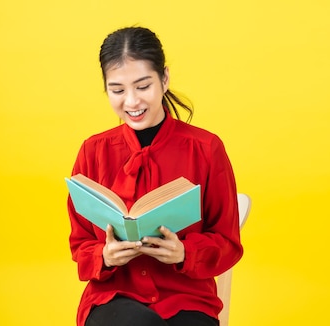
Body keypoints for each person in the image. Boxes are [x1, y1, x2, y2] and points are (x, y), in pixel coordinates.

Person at [66, 26, 243, 326]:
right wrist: (105, 255)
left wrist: (185, 252)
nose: (132, 102)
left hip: (187, 297)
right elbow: (80, 244)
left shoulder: (206, 149)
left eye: (143, 86)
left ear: (164, 79)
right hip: (114, 296)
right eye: (118, 90)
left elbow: (228, 242)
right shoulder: (93, 151)